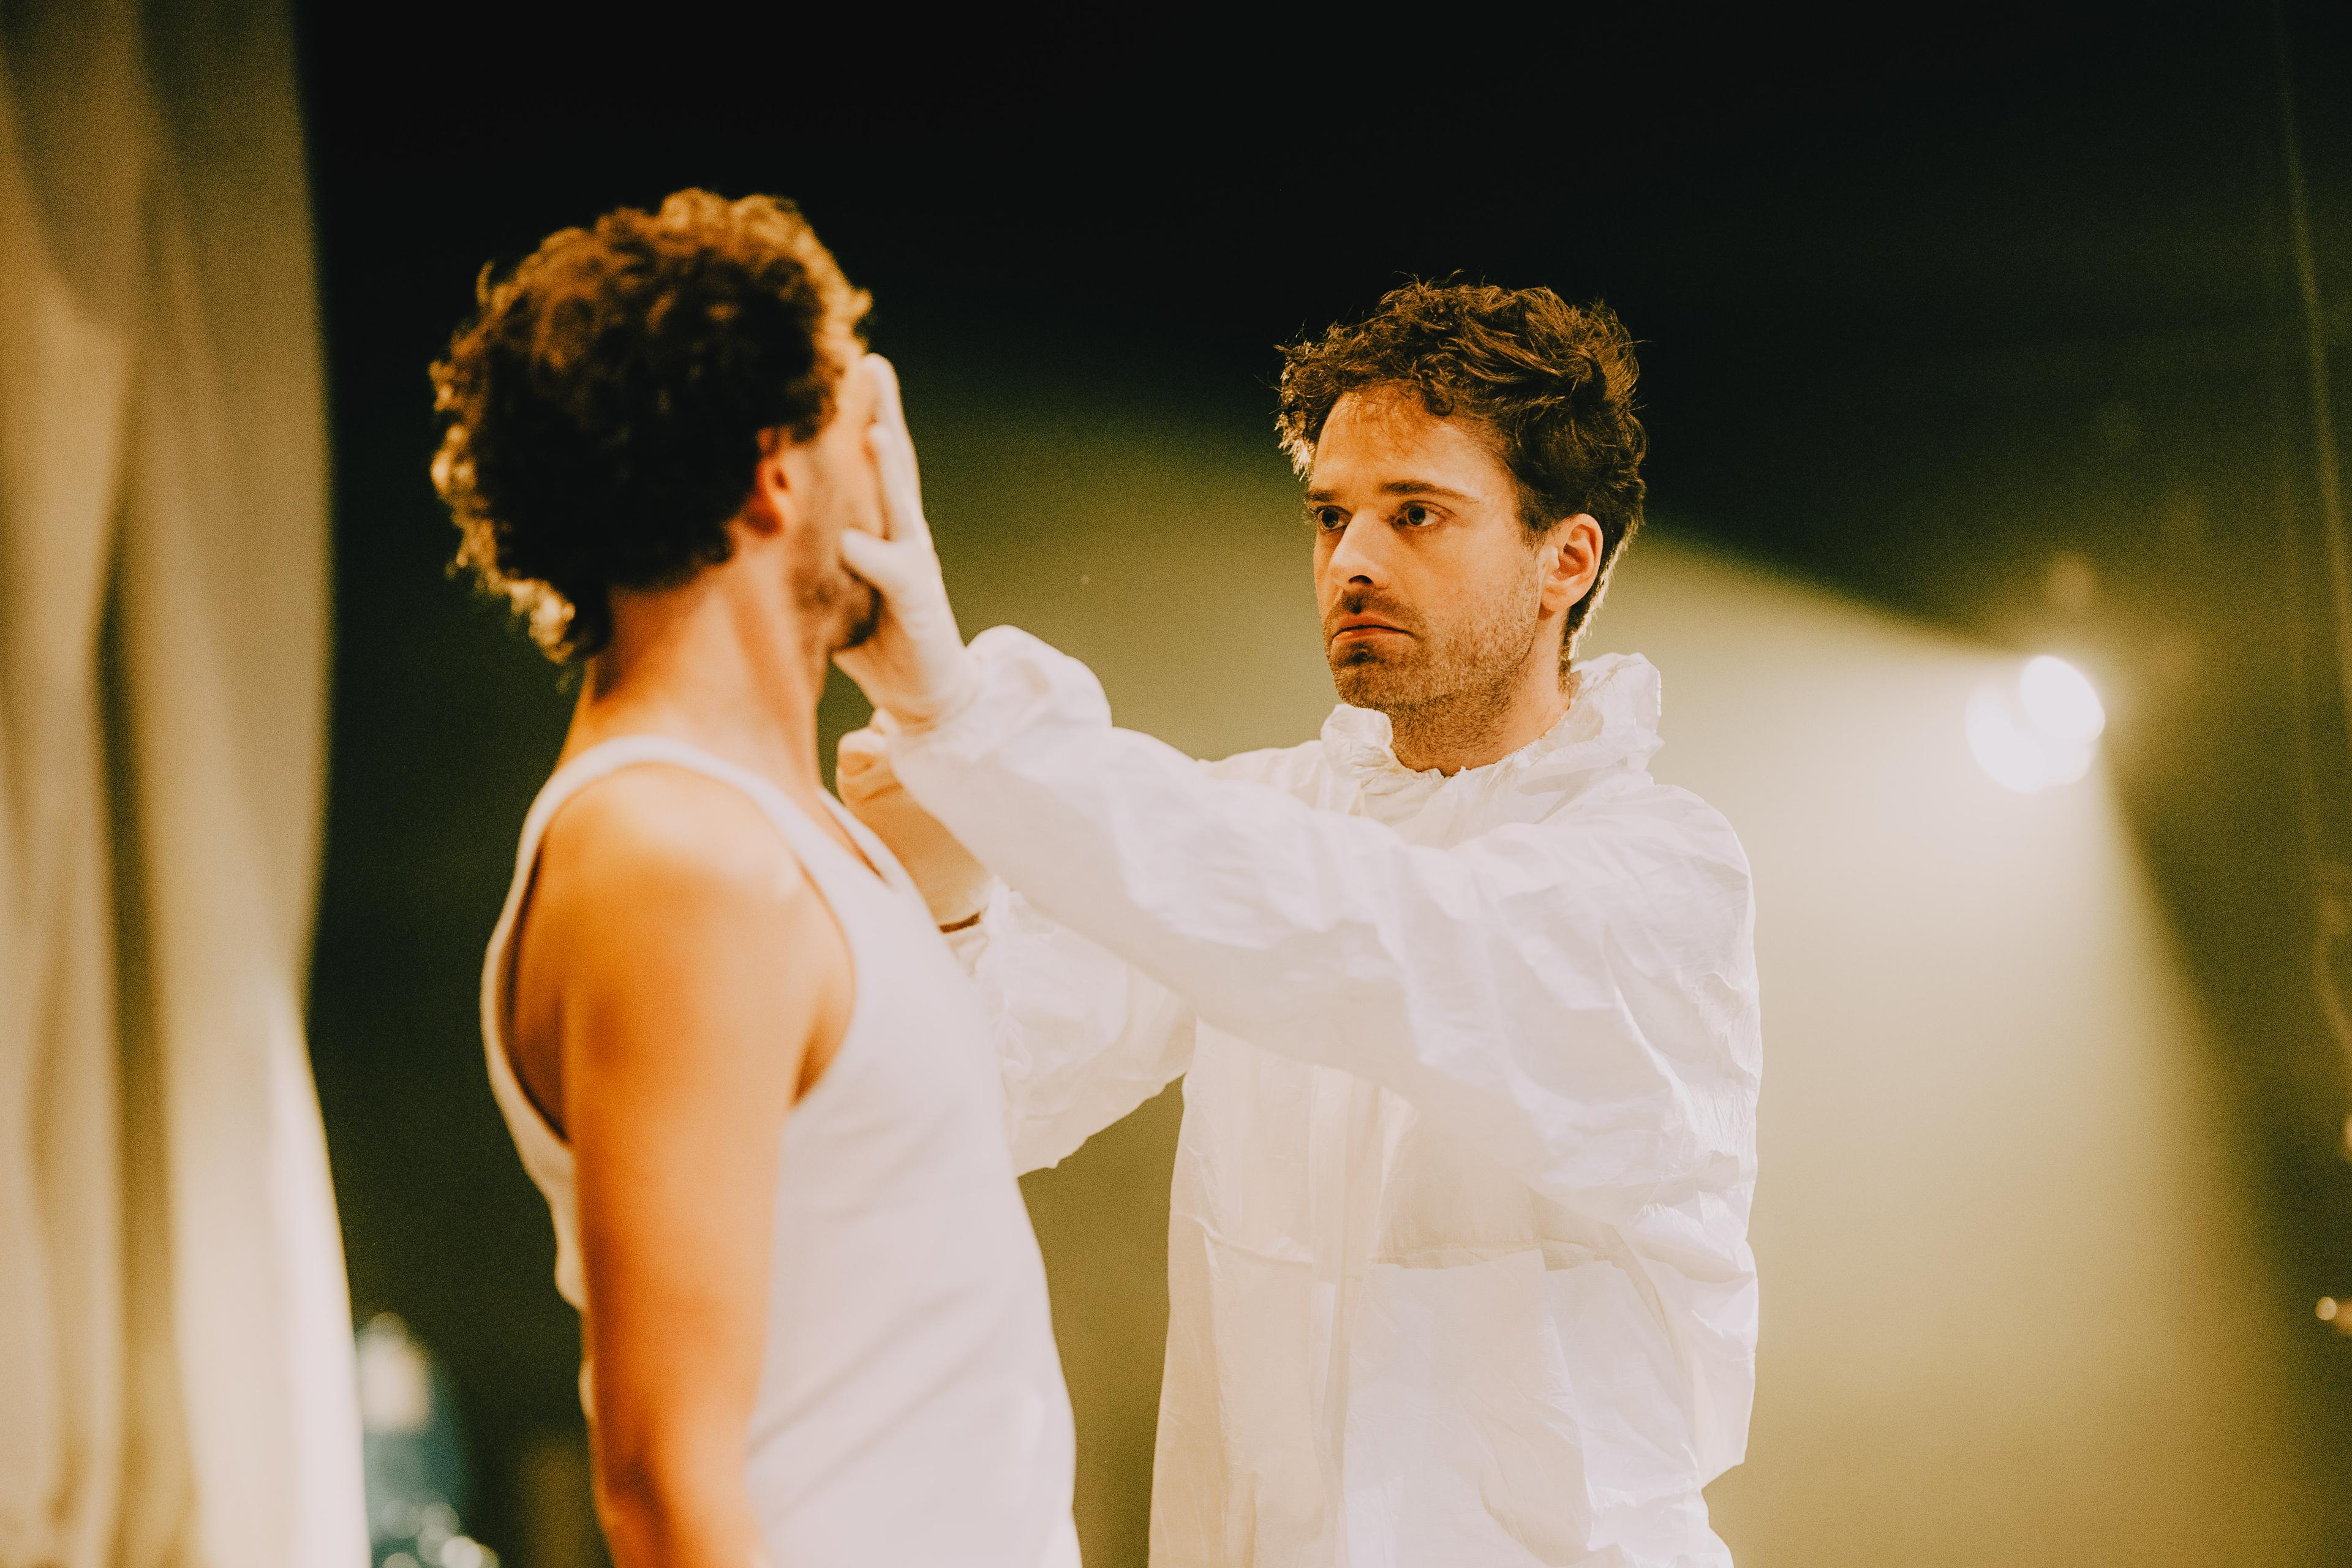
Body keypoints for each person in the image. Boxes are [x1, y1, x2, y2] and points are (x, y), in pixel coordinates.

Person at [835, 282, 1762, 1567]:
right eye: (1330, 515)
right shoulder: (1255, 820)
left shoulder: (1663, 875)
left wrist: (979, 725)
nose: (1353, 561)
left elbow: (1377, 939)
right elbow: (982, 1097)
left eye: (1416, 513)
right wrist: (946, 893)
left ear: (1569, 558)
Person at [434, 190, 1079, 1568]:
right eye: (863, 420)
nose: (895, 468)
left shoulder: (789, 837)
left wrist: (947, 751)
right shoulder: (674, 856)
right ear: (773, 475)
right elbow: (665, 1483)